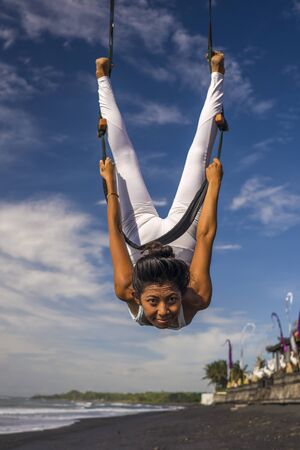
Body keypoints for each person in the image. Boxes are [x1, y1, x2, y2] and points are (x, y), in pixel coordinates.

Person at [96, 51, 225, 329]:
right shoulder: (197, 296)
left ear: (137, 296)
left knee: (124, 160)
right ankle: (217, 74)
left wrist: (110, 185)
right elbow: (204, 236)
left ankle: (102, 78)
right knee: (199, 157)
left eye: (156, 301)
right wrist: (214, 185)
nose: (164, 311)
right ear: (183, 292)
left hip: (138, 237)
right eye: (166, 301)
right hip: (182, 242)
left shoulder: (124, 287)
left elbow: (115, 231)